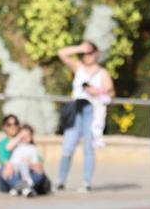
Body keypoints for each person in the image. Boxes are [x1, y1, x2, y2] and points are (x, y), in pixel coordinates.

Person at [56, 41, 115, 192]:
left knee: (89, 147)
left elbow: (111, 93)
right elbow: (61, 53)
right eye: (84, 53)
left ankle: (86, 182)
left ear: (96, 54)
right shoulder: (78, 67)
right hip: (76, 109)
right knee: (68, 146)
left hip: (92, 111)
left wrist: (97, 92)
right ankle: (60, 181)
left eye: (89, 52)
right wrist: (80, 48)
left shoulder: (102, 73)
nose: (86, 56)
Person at [0, 114, 50, 195]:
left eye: (15, 124)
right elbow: (6, 161)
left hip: (26, 175)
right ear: (4, 127)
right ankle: (22, 186)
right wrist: (19, 136)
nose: (13, 126)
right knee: (3, 169)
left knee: (40, 174)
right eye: (9, 125)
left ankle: (21, 187)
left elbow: (39, 166)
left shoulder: (31, 147)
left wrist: (30, 164)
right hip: (10, 178)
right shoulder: (2, 144)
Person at [7, 124, 43, 197]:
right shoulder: (16, 146)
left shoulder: (33, 148)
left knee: (38, 175)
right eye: (23, 135)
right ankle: (26, 188)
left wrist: (29, 163)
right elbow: (8, 147)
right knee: (8, 173)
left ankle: (19, 188)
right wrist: (19, 136)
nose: (25, 137)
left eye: (27, 135)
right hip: (15, 170)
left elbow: (37, 165)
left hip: (27, 171)